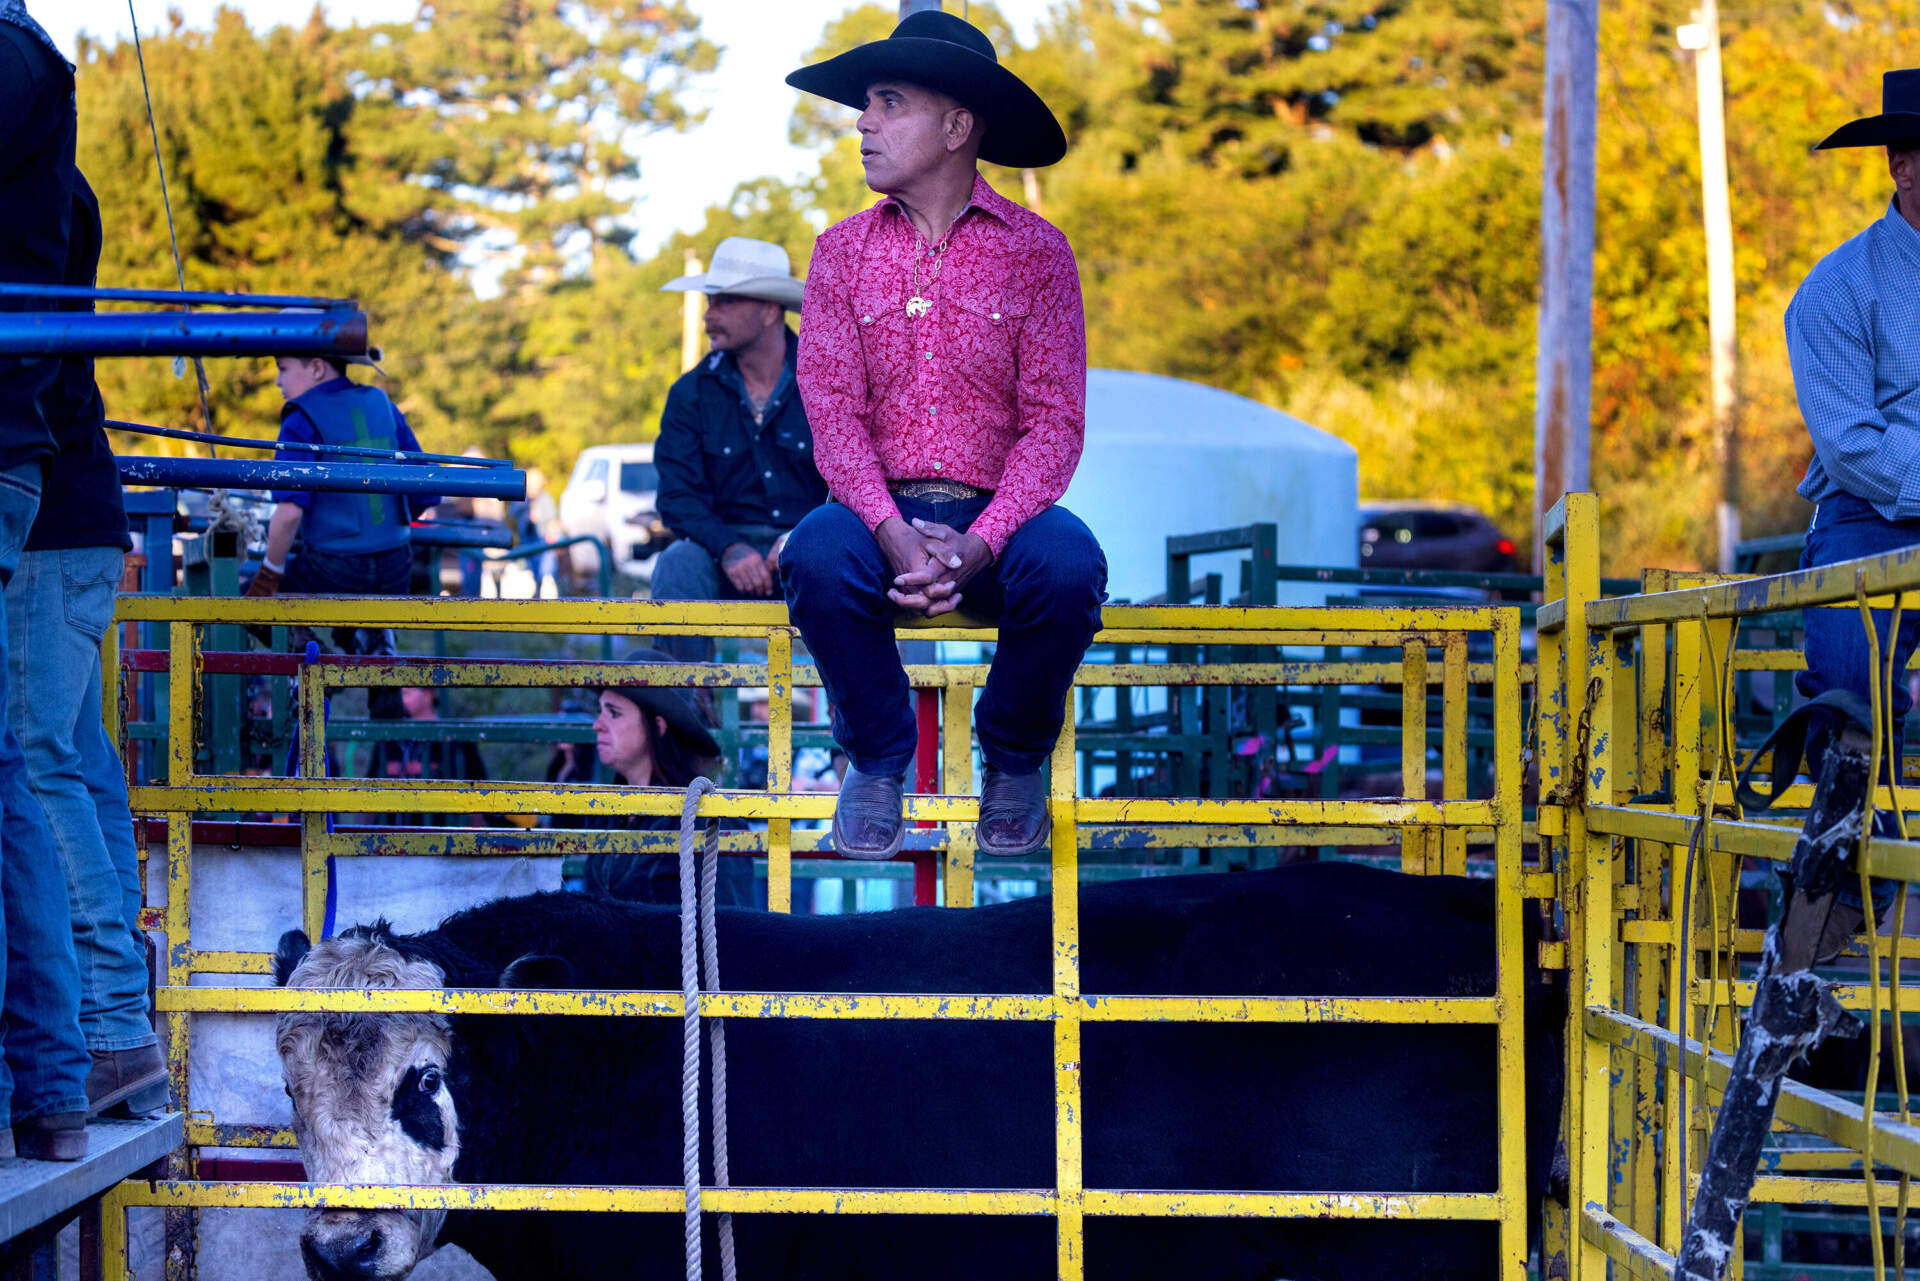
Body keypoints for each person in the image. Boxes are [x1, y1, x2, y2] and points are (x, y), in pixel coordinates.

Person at [781, 11, 1107, 862]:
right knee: (814, 553)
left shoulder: (1038, 253)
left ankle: (1013, 757)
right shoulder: (839, 252)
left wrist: (981, 541)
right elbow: (831, 411)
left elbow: (1055, 422)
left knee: (1072, 565)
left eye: (888, 102)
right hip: (872, 516)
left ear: (958, 125)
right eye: (864, 105)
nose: (862, 122)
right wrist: (890, 530)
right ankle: (880, 760)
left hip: (1002, 522)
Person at [5, 173, 169, 1127]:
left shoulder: (31, 193)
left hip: (49, 510)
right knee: (78, 761)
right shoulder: (62, 185)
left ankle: (108, 1030)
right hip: (83, 503)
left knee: (36, 764)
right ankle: (120, 1027)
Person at [0, 0, 95, 1160]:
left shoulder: (14, 56)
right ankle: (56, 1079)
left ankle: (56, 1070)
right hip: (26, 457)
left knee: (33, 766)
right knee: (31, 767)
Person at [1788, 70, 1920, 771]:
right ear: (1902, 166)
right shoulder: (1837, 288)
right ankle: (1850, 864)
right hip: (1872, 514)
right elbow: (1850, 445)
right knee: (1851, 689)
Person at [650, 237, 827, 661]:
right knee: (677, 564)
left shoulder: (829, 377)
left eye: (725, 302)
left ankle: (874, 719)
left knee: (870, 566)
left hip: (818, 544)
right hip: (723, 552)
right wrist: (729, 548)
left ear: (769, 310)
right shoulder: (690, 393)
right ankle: (687, 711)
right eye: (711, 302)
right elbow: (677, 498)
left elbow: (859, 478)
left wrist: (799, 538)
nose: (710, 315)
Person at [243, 345, 440, 660]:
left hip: (334, 567)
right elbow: (427, 490)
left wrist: (268, 575)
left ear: (317, 368)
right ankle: (379, 650)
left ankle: (321, 665)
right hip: (396, 567)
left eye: (283, 369)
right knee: (366, 615)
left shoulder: (300, 418)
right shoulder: (383, 405)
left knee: (249, 599)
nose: (278, 382)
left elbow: (290, 512)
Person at [580, 648, 757, 907]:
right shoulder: (608, 814)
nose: (598, 724)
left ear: (658, 726)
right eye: (601, 711)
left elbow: (731, 929)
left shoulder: (708, 822)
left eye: (614, 713)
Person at [362, 687, 490, 827]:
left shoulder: (457, 740)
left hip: (443, 838)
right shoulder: (388, 738)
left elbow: (478, 795)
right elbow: (368, 792)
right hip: (391, 837)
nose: (401, 699)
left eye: (407, 693)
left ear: (429, 694)